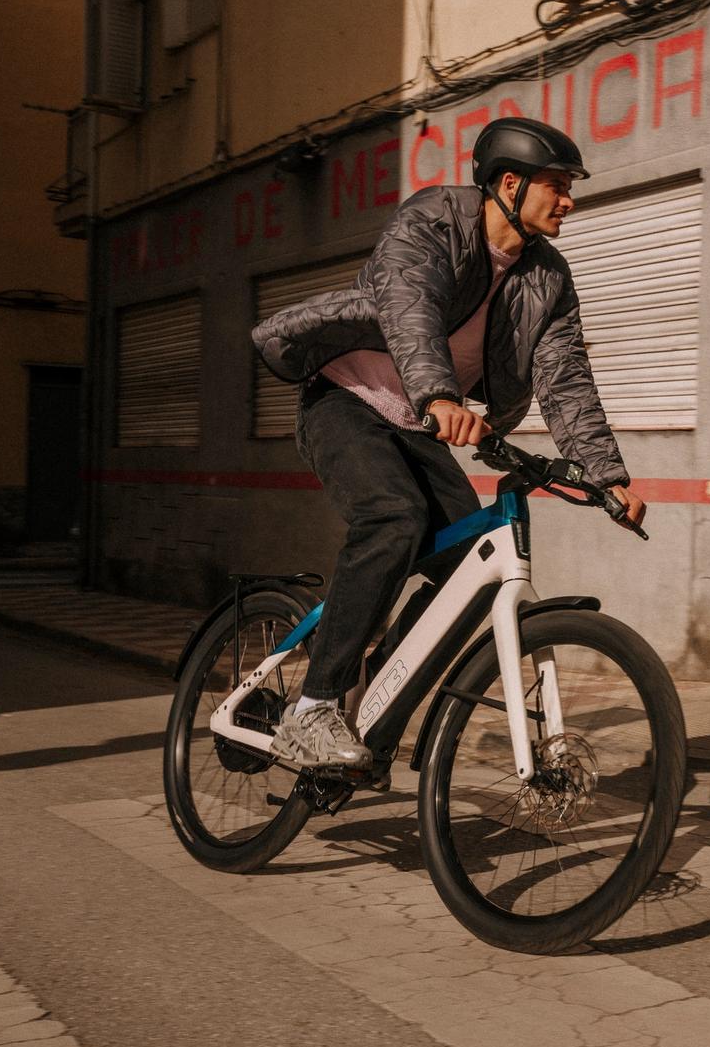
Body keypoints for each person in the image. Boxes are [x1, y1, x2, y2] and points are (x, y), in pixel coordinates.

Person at [251, 116, 645, 769]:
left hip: (417, 425)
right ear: (510, 184)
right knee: (393, 516)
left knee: (469, 575)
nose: (569, 200)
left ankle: (375, 702)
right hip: (344, 400)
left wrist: (606, 476)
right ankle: (312, 707)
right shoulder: (433, 219)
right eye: (557, 186)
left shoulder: (547, 275)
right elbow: (411, 306)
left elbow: (565, 377)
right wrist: (438, 394)